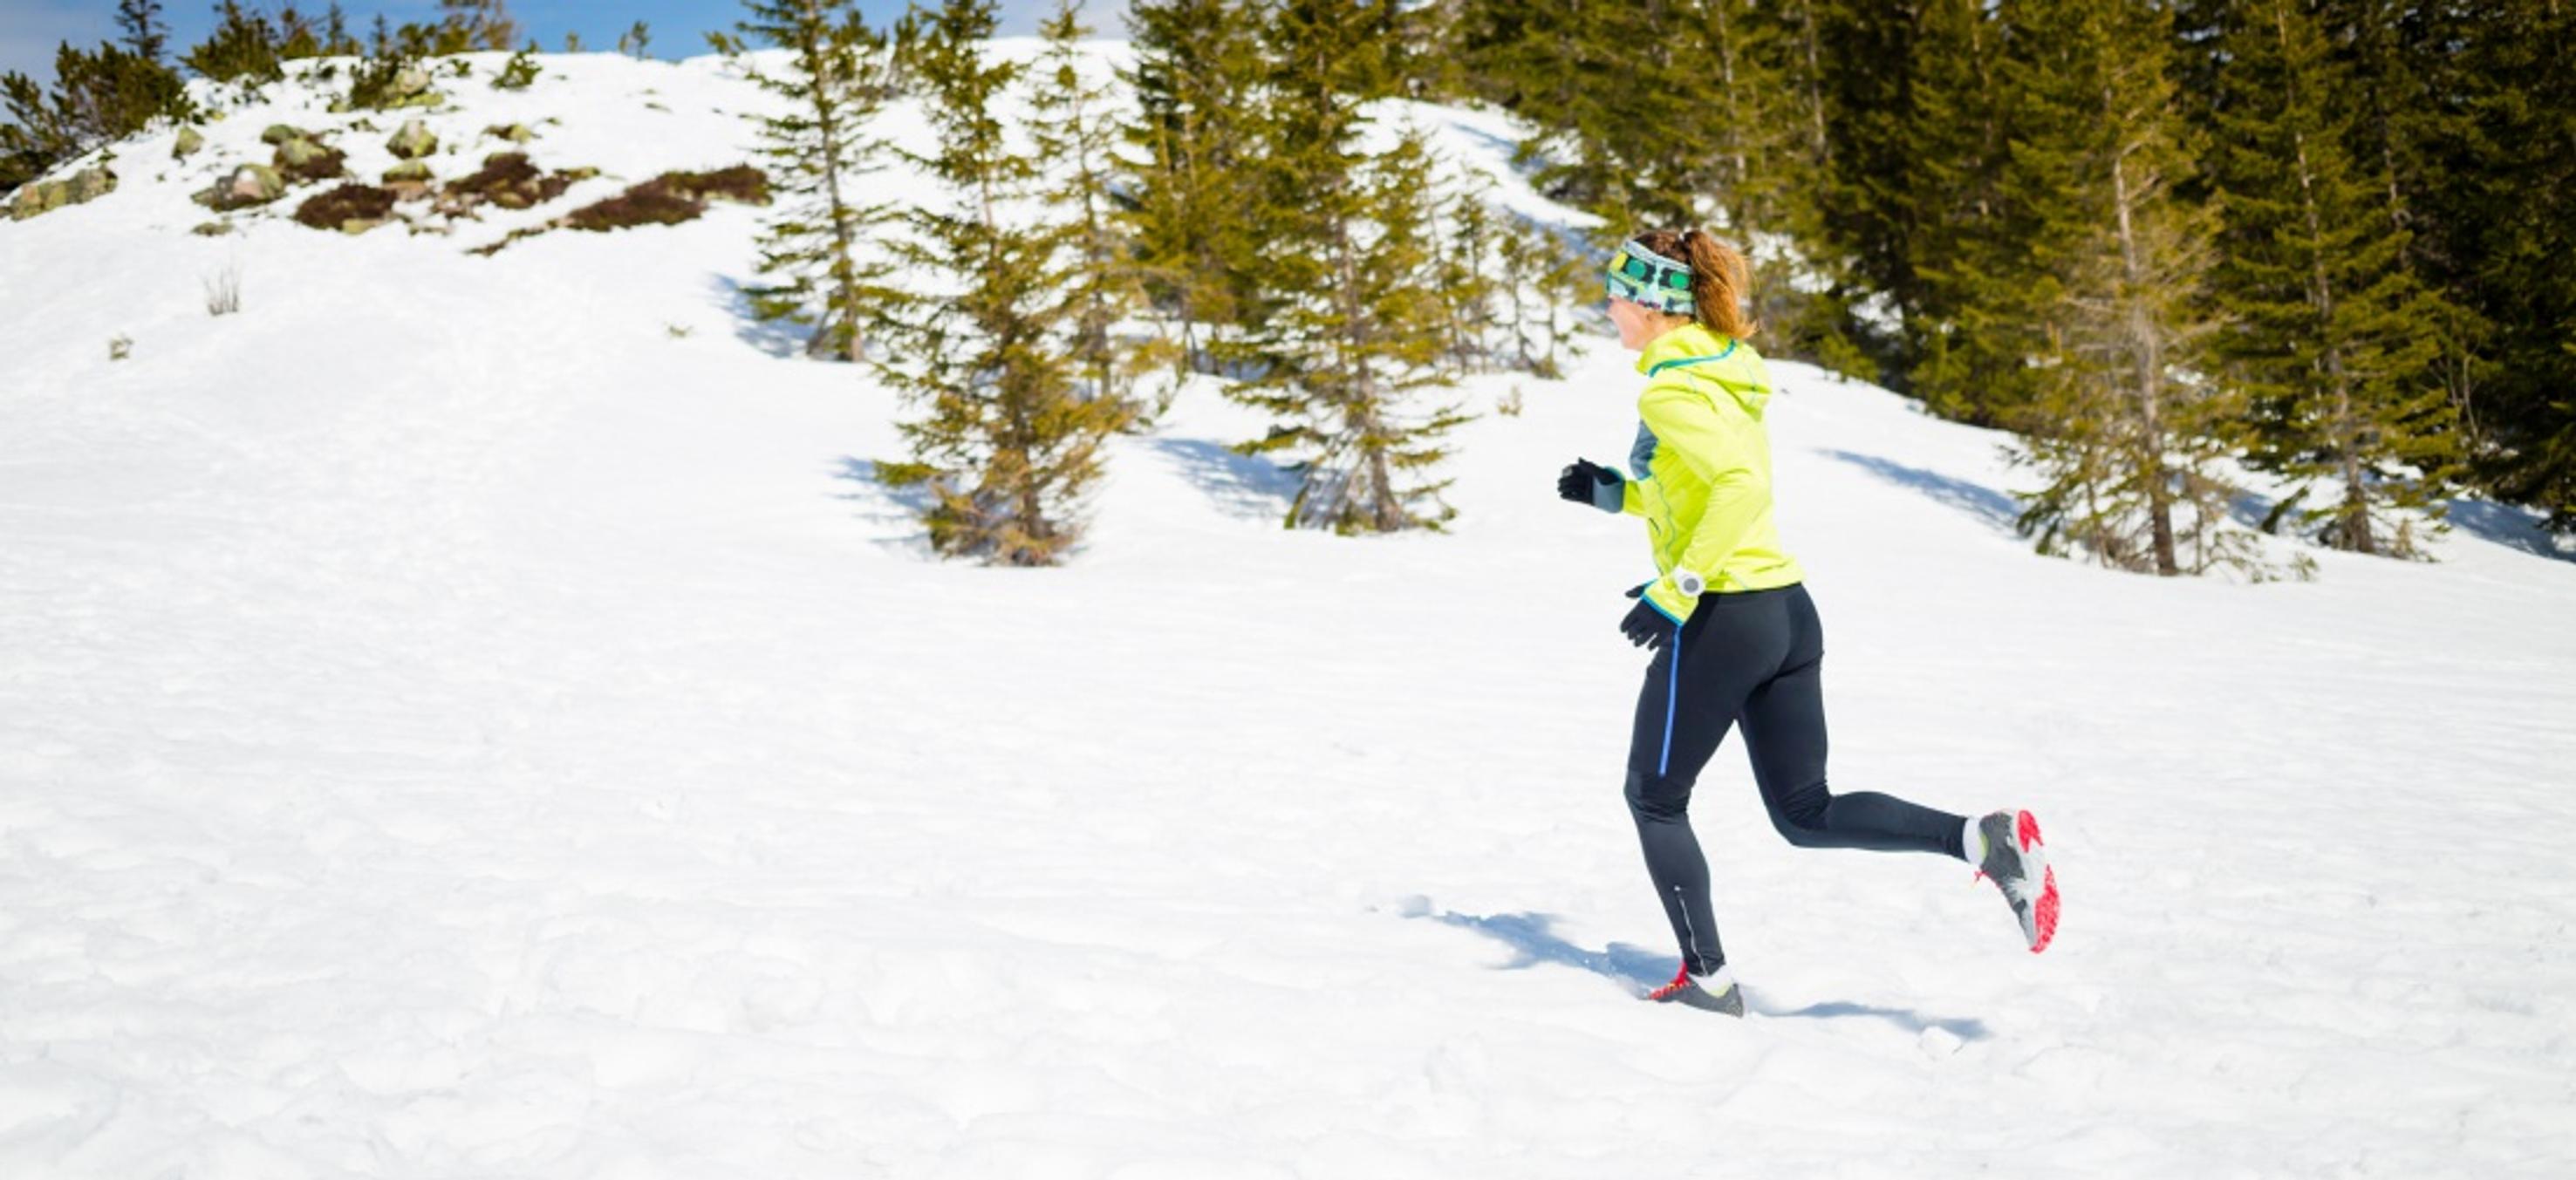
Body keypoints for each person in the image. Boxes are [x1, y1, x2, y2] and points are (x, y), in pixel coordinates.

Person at [1556, 228, 2060, 1017]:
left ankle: (1707, 980)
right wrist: (1619, 494)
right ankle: (1981, 839)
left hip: (1724, 615)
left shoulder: (1668, 389)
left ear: (1654, 305)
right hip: (1784, 611)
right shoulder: (1717, 371)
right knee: (1805, 811)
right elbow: (1706, 488)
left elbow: (1738, 487)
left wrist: (1678, 588)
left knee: (1654, 797)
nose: (1608, 304)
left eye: (1618, 292)